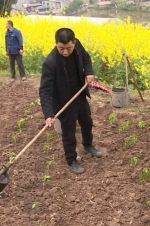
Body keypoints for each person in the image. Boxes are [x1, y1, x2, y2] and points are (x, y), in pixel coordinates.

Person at [39, 28, 103, 174]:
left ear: (74, 43)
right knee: (68, 132)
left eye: (69, 48)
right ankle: (71, 160)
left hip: (79, 94)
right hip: (64, 102)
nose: (65, 52)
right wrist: (48, 114)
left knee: (87, 122)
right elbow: (45, 91)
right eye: (61, 48)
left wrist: (89, 72)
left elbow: (86, 59)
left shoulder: (78, 45)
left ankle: (88, 145)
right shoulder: (50, 63)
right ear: (56, 44)